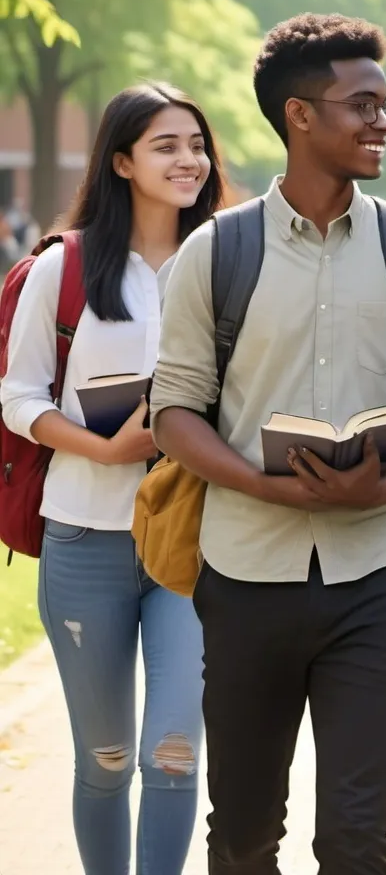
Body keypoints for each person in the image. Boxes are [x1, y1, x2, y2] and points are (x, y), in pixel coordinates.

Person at [149, 12, 386, 875]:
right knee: (244, 835)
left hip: (377, 576)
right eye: (361, 105)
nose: (381, 122)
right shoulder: (215, 252)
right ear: (300, 117)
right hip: (244, 576)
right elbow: (175, 411)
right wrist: (260, 486)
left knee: (356, 841)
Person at [0, 82, 221, 875]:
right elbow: (19, 396)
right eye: (166, 145)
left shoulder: (230, 261)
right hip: (85, 539)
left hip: (192, 547)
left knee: (171, 752)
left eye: (197, 145)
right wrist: (100, 449)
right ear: (121, 161)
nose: (188, 159)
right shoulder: (63, 268)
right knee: (104, 757)